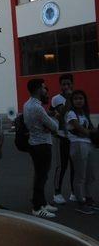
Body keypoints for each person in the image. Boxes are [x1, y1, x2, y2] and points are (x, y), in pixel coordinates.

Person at [23, 78, 59, 219]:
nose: (46, 90)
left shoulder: (28, 104)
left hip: (36, 143)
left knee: (41, 175)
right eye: (44, 88)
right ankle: (37, 207)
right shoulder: (37, 107)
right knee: (41, 176)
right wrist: (53, 120)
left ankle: (42, 203)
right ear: (38, 89)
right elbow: (54, 126)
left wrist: (48, 125)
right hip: (42, 145)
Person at [66, 90, 97, 215]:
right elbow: (79, 128)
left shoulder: (85, 114)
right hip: (77, 144)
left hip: (89, 145)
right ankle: (80, 201)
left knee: (91, 175)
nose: (79, 101)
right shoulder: (71, 114)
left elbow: (90, 128)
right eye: (76, 99)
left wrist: (94, 133)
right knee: (80, 175)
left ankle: (89, 198)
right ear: (72, 101)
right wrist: (94, 134)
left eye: (81, 98)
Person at [52, 73, 75, 204]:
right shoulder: (56, 99)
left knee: (75, 166)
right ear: (60, 85)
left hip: (74, 137)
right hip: (62, 136)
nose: (66, 86)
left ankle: (74, 192)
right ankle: (57, 192)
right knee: (62, 166)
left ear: (72, 84)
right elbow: (62, 115)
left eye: (68, 84)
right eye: (63, 84)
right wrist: (67, 99)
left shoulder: (77, 96)